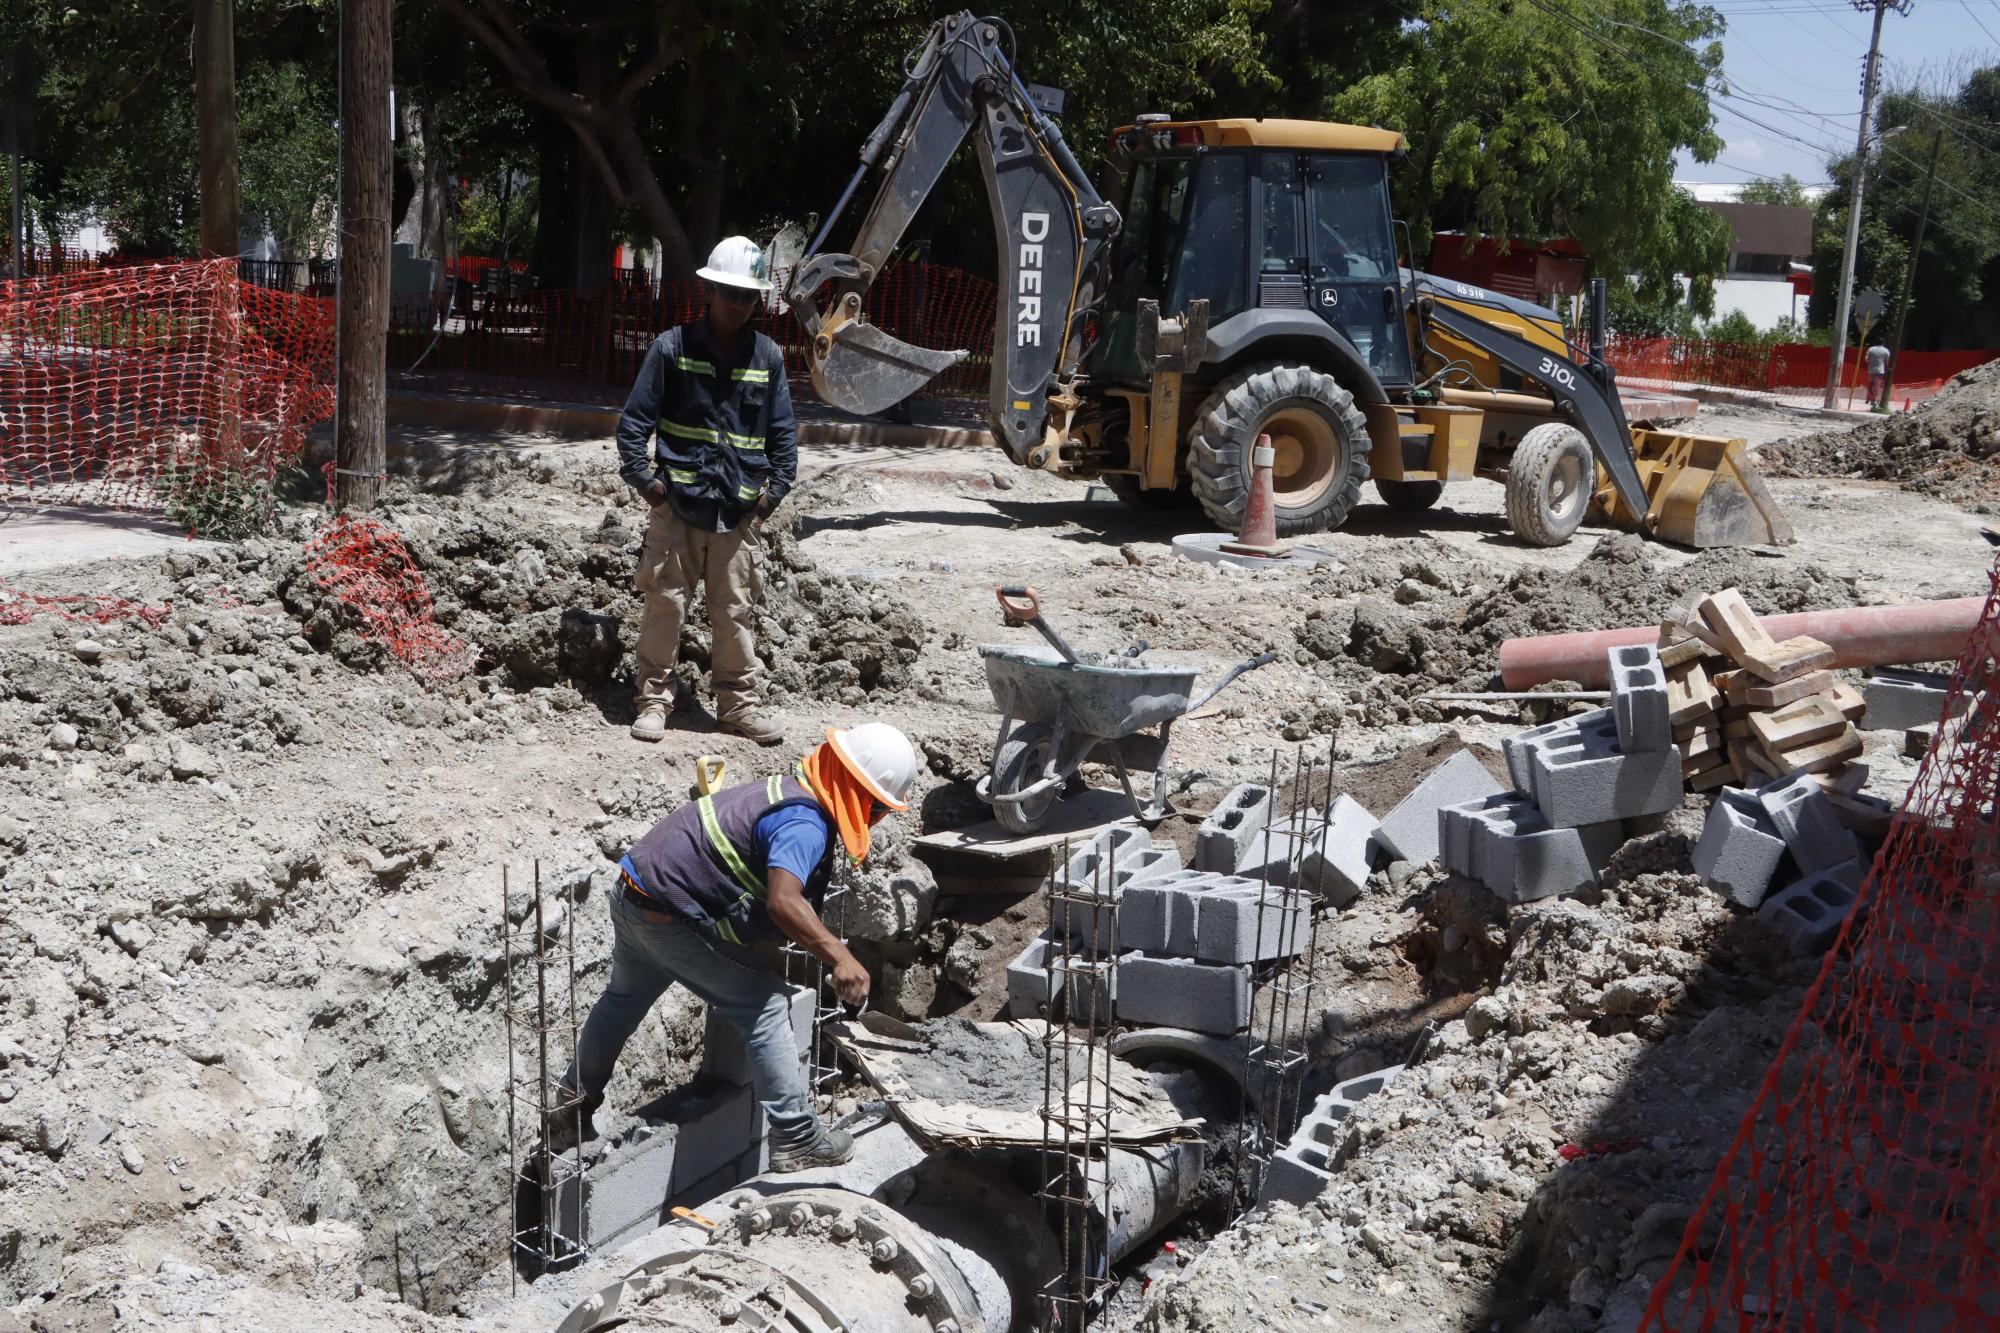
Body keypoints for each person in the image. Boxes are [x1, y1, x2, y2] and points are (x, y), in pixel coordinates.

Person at [556, 721, 918, 1171]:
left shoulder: (785, 789)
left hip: (635, 893)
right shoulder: (805, 823)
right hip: (670, 914)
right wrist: (841, 956)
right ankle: (797, 1138)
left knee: (623, 1000)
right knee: (765, 1005)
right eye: (878, 809)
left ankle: (566, 1114)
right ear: (859, 793)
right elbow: (785, 901)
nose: (876, 820)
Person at [616, 235, 797, 747]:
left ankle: (738, 706)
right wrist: (651, 488)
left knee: (734, 610)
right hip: (678, 507)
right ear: (710, 291)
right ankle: (653, 702)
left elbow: (783, 436)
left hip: (736, 511)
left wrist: (769, 497)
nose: (739, 304)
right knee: (665, 604)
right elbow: (634, 426)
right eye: (730, 293)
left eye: (748, 297)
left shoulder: (769, 356)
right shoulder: (671, 348)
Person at [1866, 338, 1892, 407]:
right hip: (1880, 370)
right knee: (1876, 386)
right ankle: (1873, 400)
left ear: (1875, 342)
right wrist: (1887, 370)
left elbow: (1866, 359)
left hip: (1871, 369)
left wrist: (1871, 362)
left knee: (1870, 384)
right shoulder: (1886, 350)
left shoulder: (1871, 349)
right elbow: (1887, 362)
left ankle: (1868, 399)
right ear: (1883, 343)